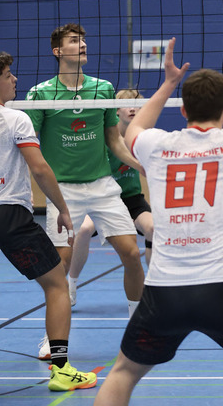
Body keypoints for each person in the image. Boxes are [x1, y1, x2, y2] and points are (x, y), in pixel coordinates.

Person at [92, 37, 223, 406]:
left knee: (124, 372)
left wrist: (168, 83)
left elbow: (132, 130)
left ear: (182, 110)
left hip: (164, 291)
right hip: (222, 291)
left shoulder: (156, 145)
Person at [0, 51, 97, 392]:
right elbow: (39, 168)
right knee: (56, 285)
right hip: (8, 214)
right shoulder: (15, 119)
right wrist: (63, 208)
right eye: (8, 75)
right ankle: (62, 369)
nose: (15, 79)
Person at [26, 23, 145, 357]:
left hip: (103, 185)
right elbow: (30, 146)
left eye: (83, 41)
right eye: (74, 41)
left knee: (132, 253)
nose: (82, 45)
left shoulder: (103, 89)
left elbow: (114, 141)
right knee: (60, 264)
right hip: (63, 190)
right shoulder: (41, 94)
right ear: (57, 51)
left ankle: (138, 326)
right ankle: (52, 337)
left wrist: (140, 165)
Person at [68, 88, 154, 308]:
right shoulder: (105, 140)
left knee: (153, 228)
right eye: (127, 104)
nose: (133, 109)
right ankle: (71, 282)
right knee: (84, 230)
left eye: (137, 105)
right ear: (116, 110)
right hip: (103, 199)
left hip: (132, 200)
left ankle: (154, 285)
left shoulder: (143, 138)